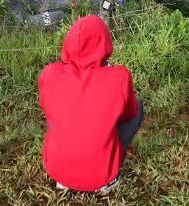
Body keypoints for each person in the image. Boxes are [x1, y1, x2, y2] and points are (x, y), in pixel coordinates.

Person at [38, 15, 143, 194]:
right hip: (102, 175)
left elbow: (48, 108)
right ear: (105, 43)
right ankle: (107, 176)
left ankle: (65, 176)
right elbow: (129, 114)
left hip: (57, 171)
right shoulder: (119, 76)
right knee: (138, 108)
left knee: (58, 113)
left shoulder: (49, 73)